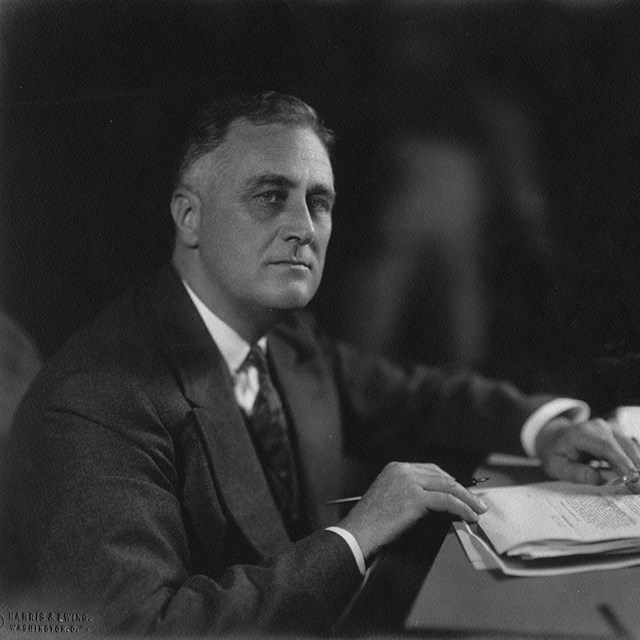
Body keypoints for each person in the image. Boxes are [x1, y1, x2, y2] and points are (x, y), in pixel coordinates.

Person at [1, 91, 638, 636]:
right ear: (188, 216)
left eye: (319, 202)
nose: (303, 226)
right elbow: (147, 630)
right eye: (270, 197)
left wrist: (547, 428)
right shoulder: (97, 401)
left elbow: (414, 395)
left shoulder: (287, 337)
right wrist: (357, 536)